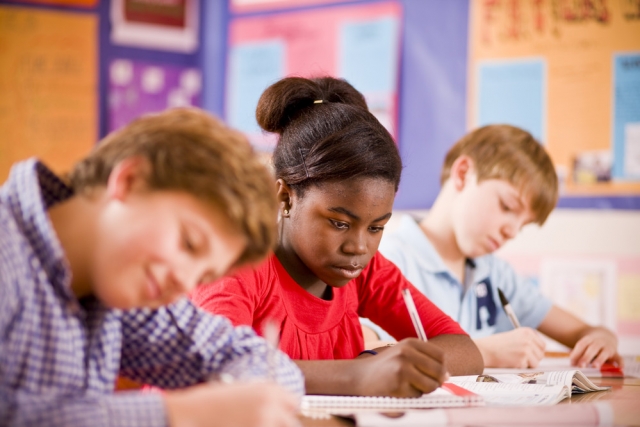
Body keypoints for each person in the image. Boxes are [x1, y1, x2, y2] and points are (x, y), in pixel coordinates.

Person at [0, 108, 304, 427]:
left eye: (204, 277)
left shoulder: (116, 281)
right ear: (130, 181)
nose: (184, 283)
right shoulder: (10, 254)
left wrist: (245, 398)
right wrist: (181, 414)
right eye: (188, 243)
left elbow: (249, 358)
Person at [191, 77, 483, 398]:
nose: (359, 247)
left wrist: (377, 361)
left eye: (376, 228)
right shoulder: (239, 264)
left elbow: (464, 349)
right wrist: (355, 375)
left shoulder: (363, 271)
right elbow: (216, 369)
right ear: (286, 198)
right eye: (339, 223)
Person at [366, 124, 622, 369]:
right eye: (507, 207)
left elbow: (583, 331)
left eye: (523, 225)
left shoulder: (495, 273)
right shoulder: (389, 259)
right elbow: (362, 347)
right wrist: (482, 352)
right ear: (463, 174)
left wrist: (602, 338)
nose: (511, 231)